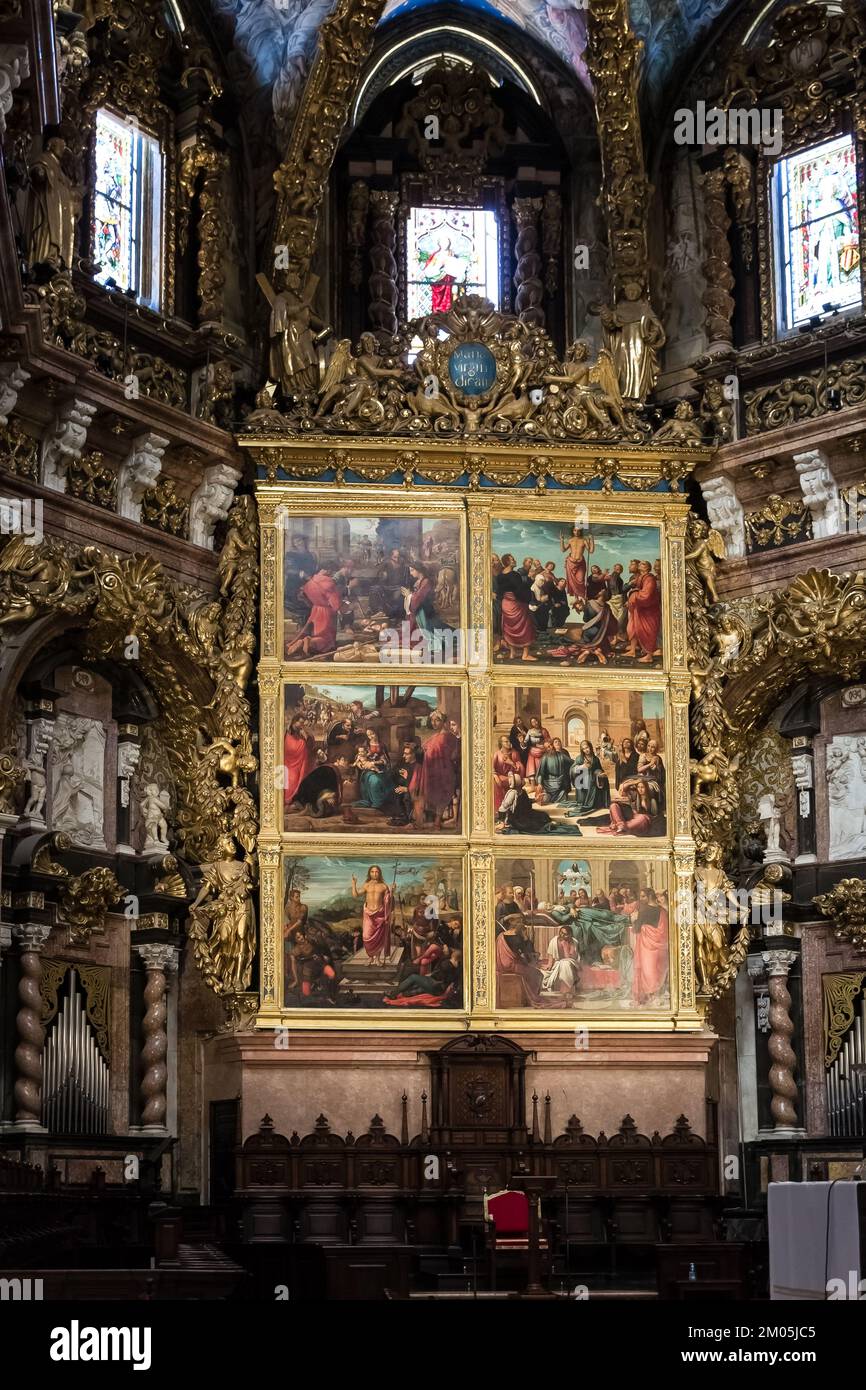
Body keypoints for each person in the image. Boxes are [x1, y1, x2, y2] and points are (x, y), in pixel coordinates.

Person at [285, 567, 342, 658]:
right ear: (328, 570)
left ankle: (303, 642)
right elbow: (336, 605)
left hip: (316, 610)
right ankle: (309, 641)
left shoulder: (310, 582)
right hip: (326, 612)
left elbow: (307, 598)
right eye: (332, 572)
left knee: (317, 632)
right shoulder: (329, 582)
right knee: (326, 639)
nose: (332, 574)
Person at [416, 712, 458, 830]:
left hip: (444, 769)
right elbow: (424, 748)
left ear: (443, 721)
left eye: (437, 720)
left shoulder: (450, 737)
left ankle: (437, 821)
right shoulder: (433, 737)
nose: (434, 723)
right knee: (432, 793)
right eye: (432, 720)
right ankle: (430, 820)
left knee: (443, 793)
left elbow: (454, 755)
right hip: (431, 770)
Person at [494, 554, 537, 660]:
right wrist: (531, 579)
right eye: (512, 559)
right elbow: (520, 591)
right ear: (508, 562)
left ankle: (512, 653)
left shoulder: (500, 576)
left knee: (509, 628)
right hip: (516, 603)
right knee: (526, 626)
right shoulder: (515, 575)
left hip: (506, 603)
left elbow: (500, 592)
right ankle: (525, 654)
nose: (515, 560)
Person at [631, 887, 669, 1003]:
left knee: (648, 969)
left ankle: (650, 995)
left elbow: (636, 929)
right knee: (656, 968)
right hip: (660, 945)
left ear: (649, 897)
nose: (641, 899)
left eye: (643, 896)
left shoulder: (644, 911)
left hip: (646, 945)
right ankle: (655, 994)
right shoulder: (662, 911)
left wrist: (633, 919)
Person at [351, 865, 393, 964]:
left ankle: (377, 958)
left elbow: (388, 901)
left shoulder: (383, 886)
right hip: (368, 914)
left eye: (376, 872)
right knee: (366, 936)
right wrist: (354, 884)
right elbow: (355, 895)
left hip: (380, 914)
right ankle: (370, 957)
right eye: (372, 872)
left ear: (380, 873)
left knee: (379, 938)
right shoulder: (366, 885)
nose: (374, 874)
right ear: (369, 873)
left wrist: (392, 891)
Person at [626, 560, 662, 662]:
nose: (639, 565)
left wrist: (634, 595)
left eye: (642, 564)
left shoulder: (649, 579)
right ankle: (642, 652)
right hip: (642, 609)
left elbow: (646, 595)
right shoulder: (642, 577)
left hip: (649, 610)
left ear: (647, 568)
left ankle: (649, 656)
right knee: (640, 630)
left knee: (648, 631)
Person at [567, 740, 610, 817]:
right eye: (584, 749)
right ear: (582, 750)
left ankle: (596, 801)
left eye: (587, 747)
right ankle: (586, 801)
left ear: (590, 747)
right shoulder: (579, 758)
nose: (586, 750)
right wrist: (583, 766)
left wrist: (600, 773)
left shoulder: (595, 759)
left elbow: (598, 769)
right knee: (589, 780)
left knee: (603, 779)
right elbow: (572, 770)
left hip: (593, 778)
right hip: (581, 779)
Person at [283, 716, 316, 810]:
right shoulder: (286, 731)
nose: (301, 725)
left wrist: (306, 736)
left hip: (301, 762)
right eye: (300, 722)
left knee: (299, 779)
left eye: (302, 723)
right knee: (291, 780)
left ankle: (295, 801)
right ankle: (287, 801)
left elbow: (311, 744)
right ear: (294, 721)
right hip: (289, 761)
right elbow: (288, 745)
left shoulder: (302, 731)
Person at [541, 926, 581, 997]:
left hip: (570, 965)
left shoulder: (574, 942)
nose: (562, 935)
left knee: (565, 963)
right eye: (561, 932)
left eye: (565, 934)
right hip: (557, 965)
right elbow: (550, 960)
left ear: (570, 935)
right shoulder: (554, 941)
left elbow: (570, 958)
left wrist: (565, 946)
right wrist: (548, 966)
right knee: (541, 973)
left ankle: (567, 990)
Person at [560, 526, 594, 608]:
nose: (576, 532)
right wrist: (561, 540)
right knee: (572, 582)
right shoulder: (570, 540)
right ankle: (576, 598)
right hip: (570, 563)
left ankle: (581, 598)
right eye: (575, 530)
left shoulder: (584, 540)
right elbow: (563, 550)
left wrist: (592, 540)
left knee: (580, 580)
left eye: (578, 531)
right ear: (573, 531)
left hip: (580, 563)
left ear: (580, 531)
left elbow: (591, 551)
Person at [537, 737, 573, 804]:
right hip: (548, 784)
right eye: (548, 747)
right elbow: (541, 773)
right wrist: (539, 784)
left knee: (563, 798)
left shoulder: (561, 755)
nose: (550, 747)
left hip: (560, 784)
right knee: (544, 800)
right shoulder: (545, 757)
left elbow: (572, 762)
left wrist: (581, 761)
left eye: (550, 745)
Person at [493, 734, 521, 812]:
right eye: (506, 742)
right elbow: (492, 768)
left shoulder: (515, 753)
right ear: (501, 743)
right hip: (499, 776)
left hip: (511, 777)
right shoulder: (497, 754)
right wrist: (495, 776)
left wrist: (511, 763)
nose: (509, 743)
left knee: (516, 783)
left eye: (509, 741)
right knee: (495, 784)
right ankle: (498, 811)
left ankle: (510, 810)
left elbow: (520, 769)